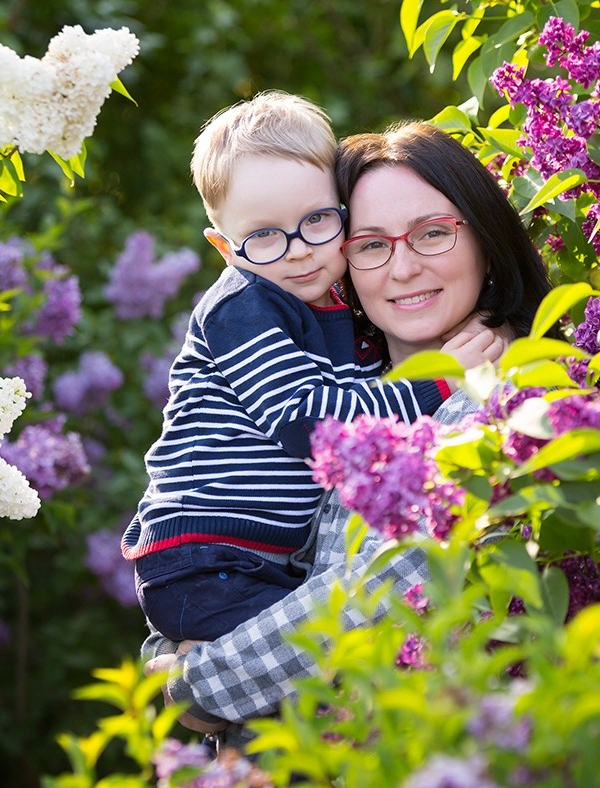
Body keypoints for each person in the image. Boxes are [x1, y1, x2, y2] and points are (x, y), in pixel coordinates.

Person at [144, 120, 553, 745]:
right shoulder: (333, 373)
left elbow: (392, 584)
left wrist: (196, 686)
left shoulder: (510, 402)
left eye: (433, 234)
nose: (403, 267)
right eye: (370, 244)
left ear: (486, 240)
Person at [121, 94, 505, 645]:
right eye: (264, 235)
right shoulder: (243, 308)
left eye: (318, 220)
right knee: (322, 664)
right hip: (207, 559)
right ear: (224, 248)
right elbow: (308, 419)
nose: (298, 250)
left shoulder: (336, 317)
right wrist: (440, 381)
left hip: (262, 562)